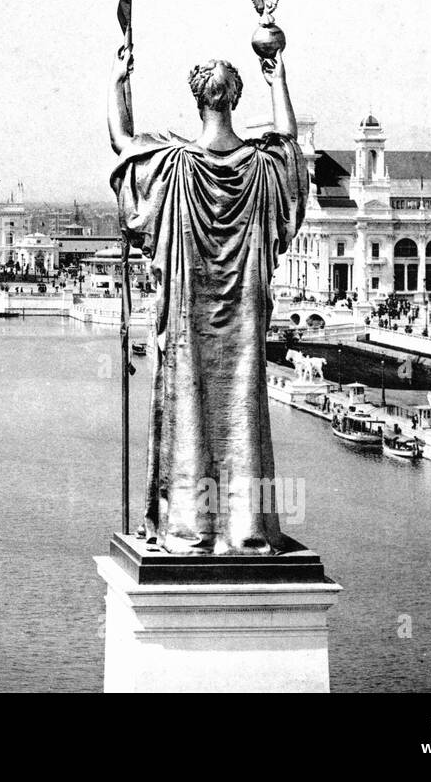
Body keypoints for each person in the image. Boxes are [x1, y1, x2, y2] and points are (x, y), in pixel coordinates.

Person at [110, 44, 304, 554]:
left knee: (188, 406)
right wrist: (277, 75)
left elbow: (122, 142)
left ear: (197, 101)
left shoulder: (171, 166)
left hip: (187, 317)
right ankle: (245, 527)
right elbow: (289, 144)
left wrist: (118, 82)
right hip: (243, 315)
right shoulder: (263, 168)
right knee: (242, 405)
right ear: (235, 99)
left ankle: (190, 527)